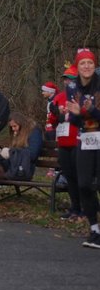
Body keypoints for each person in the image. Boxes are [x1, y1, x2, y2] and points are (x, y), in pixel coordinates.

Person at [63, 48, 100, 248]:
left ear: (95, 66)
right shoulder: (72, 87)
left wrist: (89, 110)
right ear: (77, 67)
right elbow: (75, 121)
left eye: (90, 63)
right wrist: (76, 115)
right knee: (84, 184)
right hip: (85, 139)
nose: (86, 66)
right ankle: (94, 228)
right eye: (83, 63)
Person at [50, 65, 83, 220]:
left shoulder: (82, 96)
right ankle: (74, 208)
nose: (67, 82)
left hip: (78, 142)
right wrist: (56, 114)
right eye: (65, 79)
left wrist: (70, 116)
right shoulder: (59, 97)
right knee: (69, 176)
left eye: (70, 79)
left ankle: (84, 208)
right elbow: (53, 121)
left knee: (79, 176)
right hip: (63, 143)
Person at [0, 113, 43, 181]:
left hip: (22, 168)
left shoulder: (34, 131)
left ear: (21, 124)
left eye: (14, 126)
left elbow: (33, 154)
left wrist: (10, 152)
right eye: (11, 127)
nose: (13, 129)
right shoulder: (16, 132)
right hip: (12, 164)